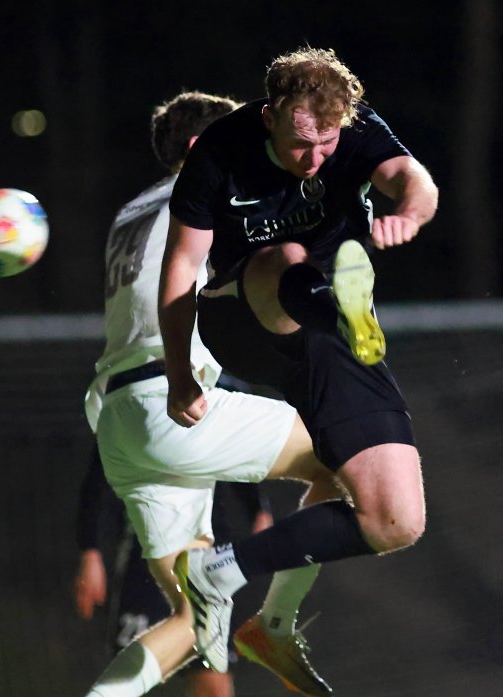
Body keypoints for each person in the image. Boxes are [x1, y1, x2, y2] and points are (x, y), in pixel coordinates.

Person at [158, 47, 438, 670]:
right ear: (270, 115)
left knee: (395, 521)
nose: (313, 161)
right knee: (287, 257)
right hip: (241, 318)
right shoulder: (220, 151)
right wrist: (180, 374)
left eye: (327, 145)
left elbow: (413, 178)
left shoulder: (357, 128)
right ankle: (339, 300)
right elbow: (180, 269)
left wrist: (410, 213)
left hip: (331, 340)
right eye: (299, 145)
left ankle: (232, 585)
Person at [83, 91, 339, 697]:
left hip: (119, 419)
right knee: (348, 451)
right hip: (173, 406)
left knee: (191, 619)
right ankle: (275, 623)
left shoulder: (131, 212)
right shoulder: (206, 195)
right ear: (201, 148)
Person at [73, 444, 273, 697]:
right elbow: (96, 482)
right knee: (129, 676)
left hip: (205, 558)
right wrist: (90, 552)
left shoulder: (211, 422)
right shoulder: (128, 421)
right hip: (147, 559)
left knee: (214, 684)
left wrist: (258, 509)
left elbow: (234, 454)